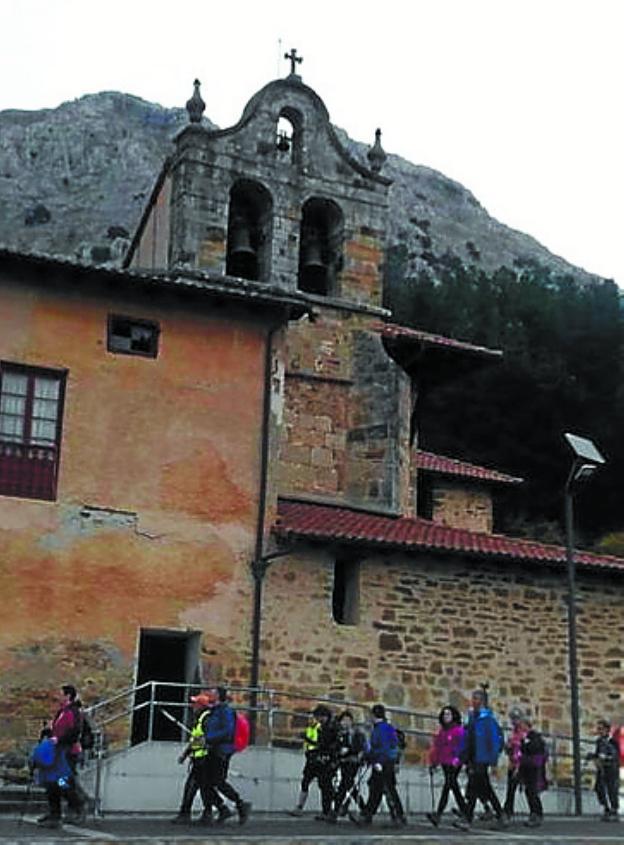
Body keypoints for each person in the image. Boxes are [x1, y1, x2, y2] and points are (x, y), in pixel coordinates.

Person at [171, 691, 229, 825]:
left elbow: (202, 739)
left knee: (195, 786)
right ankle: (214, 810)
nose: (192, 706)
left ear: (201, 706)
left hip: (203, 758)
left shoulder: (205, 719)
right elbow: (196, 739)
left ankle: (187, 813)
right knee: (203, 787)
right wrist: (187, 754)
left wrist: (187, 753)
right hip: (199, 757)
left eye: (195, 703)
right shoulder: (201, 719)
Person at [454, 688, 506, 832]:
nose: (473, 701)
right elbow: (466, 739)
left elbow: (494, 740)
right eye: (473, 699)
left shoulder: (488, 720)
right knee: (485, 788)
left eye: (476, 699)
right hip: (473, 757)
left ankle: (468, 818)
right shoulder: (472, 718)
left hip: (482, 759)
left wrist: (493, 760)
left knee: (474, 787)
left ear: (482, 701)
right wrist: (460, 755)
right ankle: (500, 814)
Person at [37, 684, 86, 828]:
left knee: (62, 783)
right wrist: (48, 733)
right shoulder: (61, 712)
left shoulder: (73, 712)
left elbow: (74, 732)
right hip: (56, 752)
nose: (57, 696)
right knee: (51, 783)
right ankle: (54, 814)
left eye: (60, 694)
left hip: (68, 752)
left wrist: (59, 739)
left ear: (68, 696)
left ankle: (77, 805)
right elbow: (57, 730)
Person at [351, 703, 407, 828]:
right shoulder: (385, 728)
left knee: (387, 788)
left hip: (383, 762)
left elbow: (384, 748)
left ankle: (397, 816)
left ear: (373, 715)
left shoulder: (381, 729)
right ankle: (368, 814)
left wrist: (374, 758)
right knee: (376, 788)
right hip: (383, 761)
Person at [202, 686, 252, 825]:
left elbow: (227, 731)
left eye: (213, 692)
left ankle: (239, 804)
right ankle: (223, 808)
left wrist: (209, 738)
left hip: (222, 750)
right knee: (206, 783)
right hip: (212, 748)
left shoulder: (225, 711)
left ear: (219, 696)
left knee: (218, 781)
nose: (209, 694)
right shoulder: (213, 711)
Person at [289, 704, 337, 819]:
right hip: (317, 758)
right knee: (309, 782)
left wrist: (308, 740)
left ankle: (328, 810)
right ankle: (303, 807)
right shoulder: (322, 727)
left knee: (325, 786)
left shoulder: (331, 728)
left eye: (318, 717)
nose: (317, 719)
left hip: (324, 760)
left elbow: (327, 745)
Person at [426, 705, 468, 827]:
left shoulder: (459, 730)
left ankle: (438, 814)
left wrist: (458, 758)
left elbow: (462, 746)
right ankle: (465, 810)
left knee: (448, 785)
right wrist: (434, 762)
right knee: (453, 786)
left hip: (454, 762)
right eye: (444, 714)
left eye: (448, 714)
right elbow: (437, 747)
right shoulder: (442, 732)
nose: (446, 717)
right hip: (445, 761)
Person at [330, 710, 368, 820]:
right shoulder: (341, 734)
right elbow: (336, 747)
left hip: (353, 762)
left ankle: (336, 810)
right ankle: (363, 808)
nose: (345, 723)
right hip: (344, 762)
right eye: (343, 721)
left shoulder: (356, 734)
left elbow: (361, 748)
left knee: (345, 784)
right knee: (349, 785)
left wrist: (352, 753)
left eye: (348, 720)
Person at [517, 716, 548, 827]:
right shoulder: (524, 739)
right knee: (528, 791)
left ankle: (537, 814)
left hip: (534, 769)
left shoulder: (535, 737)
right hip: (526, 768)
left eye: (522, 726)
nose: (520, 729)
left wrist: (524, 743)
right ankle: (533, 813)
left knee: (532, 792)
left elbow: (534, 750)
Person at [586, 719, 619, 821]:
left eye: (601, 729)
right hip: (602, 768)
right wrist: (592, 756)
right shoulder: (599, 741)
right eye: (598, 729)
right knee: (599, 788)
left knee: (611, 789)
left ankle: (613, 809)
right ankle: (606, 808)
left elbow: (615, 755)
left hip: (611, 768)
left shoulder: (613, 741)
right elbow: (598, 753)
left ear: (606, 729)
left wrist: (605, 757)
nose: (599, 731)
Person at [502, 706, 528, 820]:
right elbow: (510, 749)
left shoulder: (524, 733)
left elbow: (523, 749)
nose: (514, 721)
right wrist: (508, 747)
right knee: (511, 788)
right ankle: (508, 809)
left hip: (521, 764)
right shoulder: (513, 733)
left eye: (516, 718)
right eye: (513, 719)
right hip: (513, 763)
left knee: (528, 790)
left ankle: (535, 811)